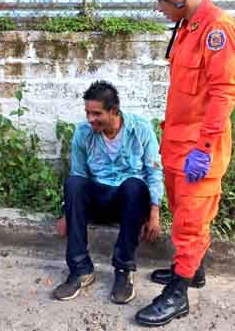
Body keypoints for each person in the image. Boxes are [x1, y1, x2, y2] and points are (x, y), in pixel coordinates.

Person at [134, 0, 235, 327]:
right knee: (184, 213)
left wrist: (206, 147)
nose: (158, 7)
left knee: (190, 223)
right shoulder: (187, 27)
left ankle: (178, 294)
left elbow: (223, 93)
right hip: (178, 145)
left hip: (199, 149)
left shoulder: (218, 29)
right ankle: (191, 270)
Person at [52, 81, 164, 304]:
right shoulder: (83, 133)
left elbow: (153, 172)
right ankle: (80, 270)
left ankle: (123, 270)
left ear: (114, 111)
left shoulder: (140, 129)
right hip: (99, 199)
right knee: (74, 182)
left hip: (129, 203)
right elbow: (79, 174)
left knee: (134, 185)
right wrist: (68, 214)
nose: (90, 119)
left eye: (96, 114)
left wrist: (154, 213)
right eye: (87, 113)